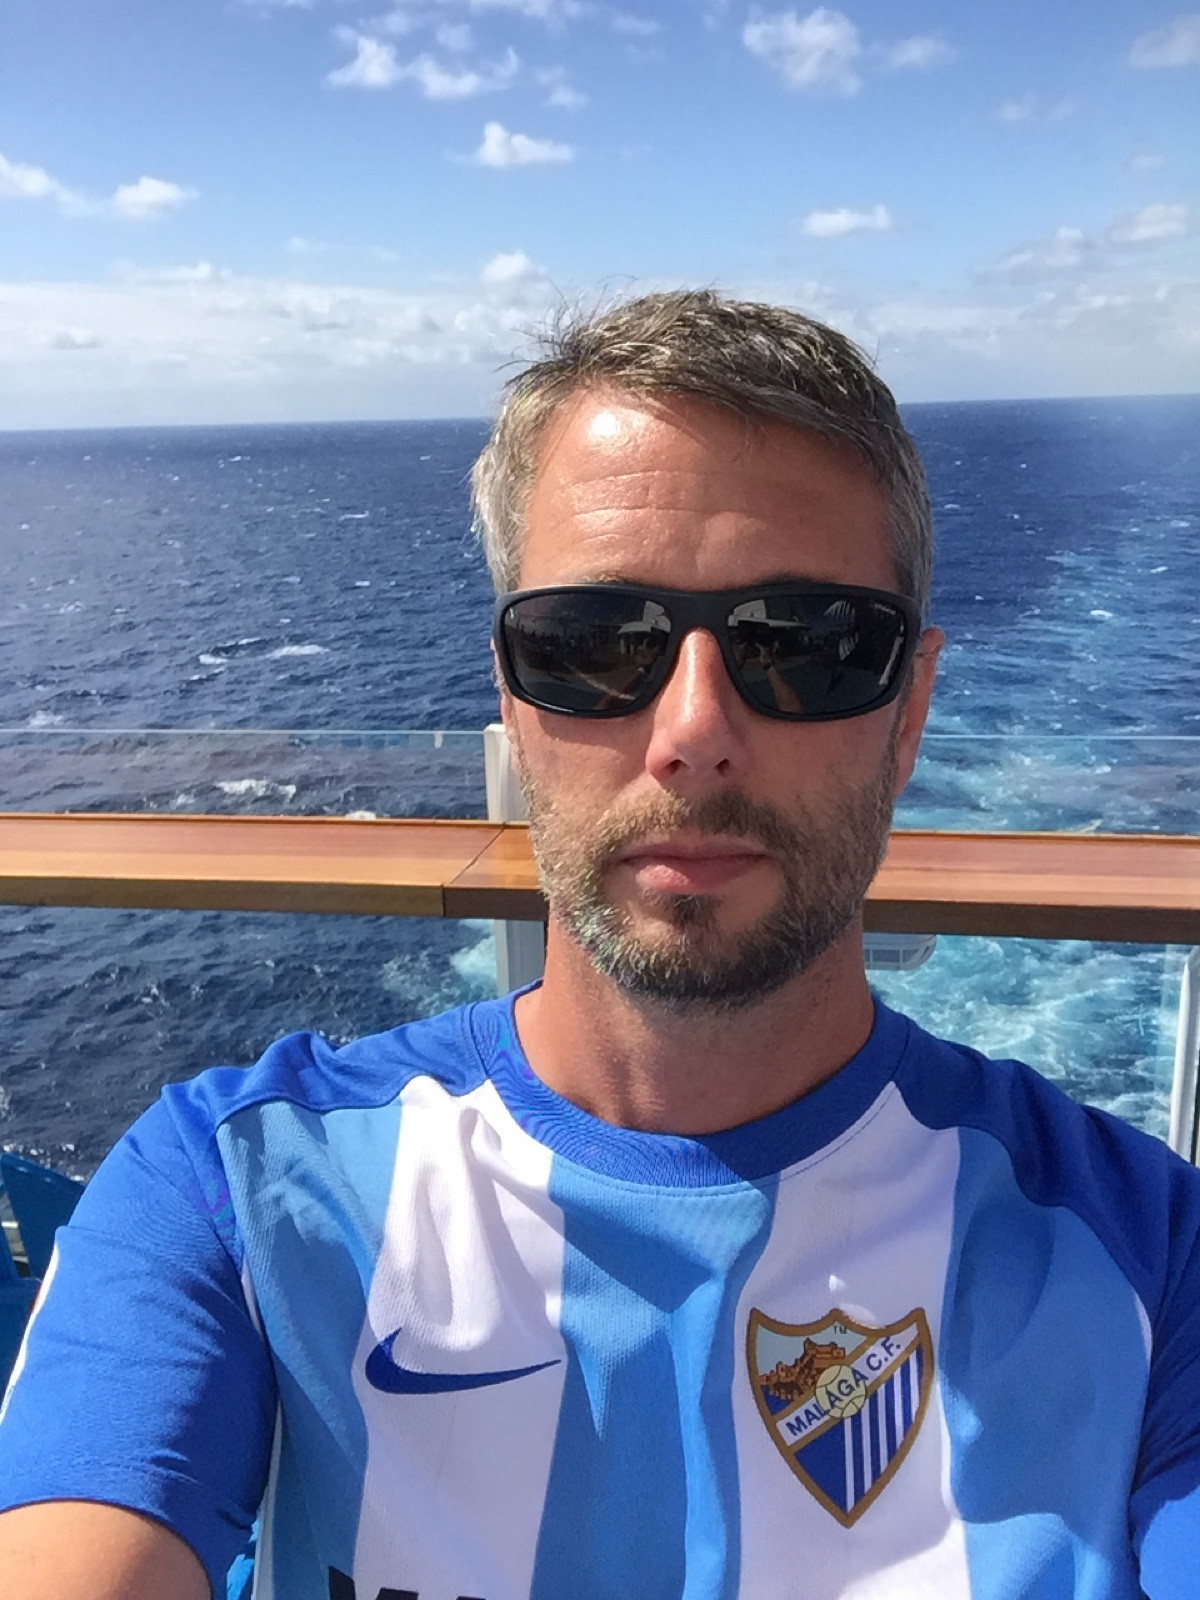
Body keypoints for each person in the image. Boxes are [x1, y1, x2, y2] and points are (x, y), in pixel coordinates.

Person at [1, 290, 1197, 1600]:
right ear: (513, 703)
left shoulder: (1153, 1261)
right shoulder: (232, 1196)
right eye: (591, 645)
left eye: (809, 645)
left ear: (908, 713)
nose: (693, 731)